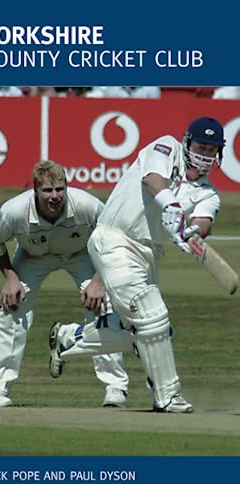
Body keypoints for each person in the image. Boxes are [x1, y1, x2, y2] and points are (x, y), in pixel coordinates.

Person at [49, 116, 226, 413]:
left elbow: (203, 221)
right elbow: (152, 180)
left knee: (151, 333)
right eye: (200, 146)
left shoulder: (207, 193)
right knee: (152, 315)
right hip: (115, 237)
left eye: (211, 149)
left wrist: (192, 232)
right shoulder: (166, 147)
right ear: (187, 143)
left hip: (148, 253)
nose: (204, 154)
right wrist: (170, 204)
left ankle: (69, 339)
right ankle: (167, 395)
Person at [0, 160, 129, 408]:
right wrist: (10, 278)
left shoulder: (85, 204)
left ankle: (115, 386)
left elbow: (115, 236)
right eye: (48, 191)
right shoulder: (14, 211)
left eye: (60, 189)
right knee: (11, 306)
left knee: (104, 304)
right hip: (33, 256)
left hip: (82, 253)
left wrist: (99, 280)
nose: (55, 196)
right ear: (35, 191)